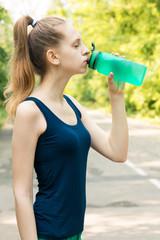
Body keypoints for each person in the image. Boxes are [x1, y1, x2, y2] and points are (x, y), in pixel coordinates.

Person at [3, 15, 129, 240]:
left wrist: (116, 96)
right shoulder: (30, 111)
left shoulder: (73, 105)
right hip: (47, 234)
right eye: (76, 44)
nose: (85, 51)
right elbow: (21, 193)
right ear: (53, 56)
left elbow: (117, 152)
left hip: (75, 232)